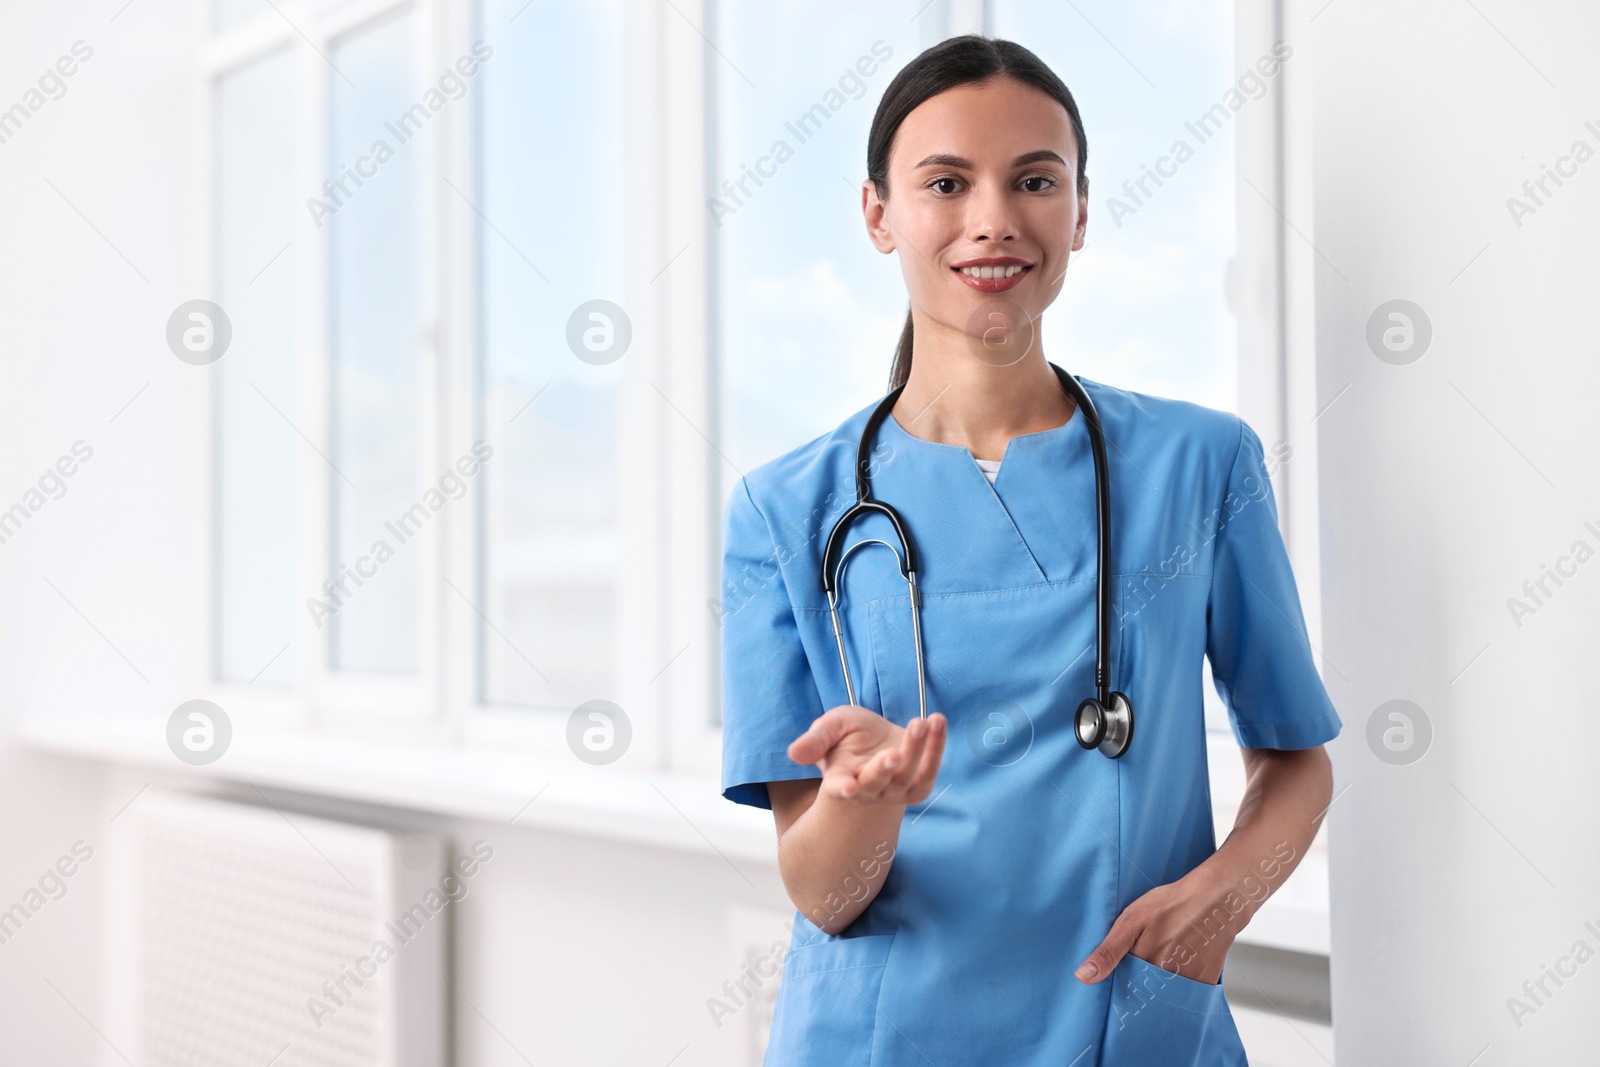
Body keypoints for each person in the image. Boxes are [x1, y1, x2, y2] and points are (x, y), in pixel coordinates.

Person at [718, 34, 1339, 1066]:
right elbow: (822, 893)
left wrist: (1217, 903)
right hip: (883, 1035)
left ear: (1081, 210)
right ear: (879, 214)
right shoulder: (784, 511)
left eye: (1034, 180)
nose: (993, 219)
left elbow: (1296, 757)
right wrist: (860, 803)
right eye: (946, 182)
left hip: (1129, 1020)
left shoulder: (1202, 464)